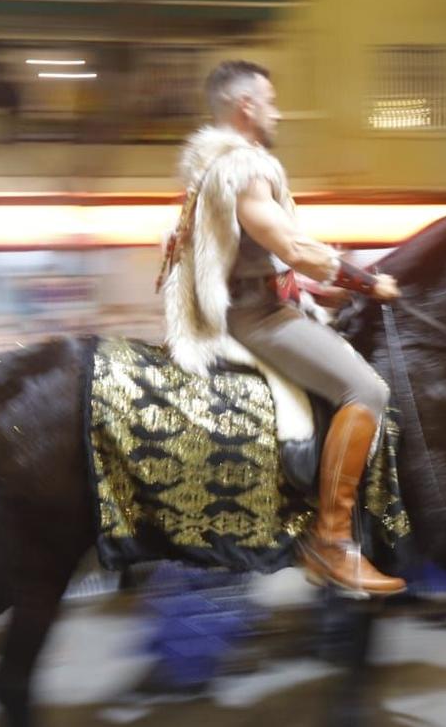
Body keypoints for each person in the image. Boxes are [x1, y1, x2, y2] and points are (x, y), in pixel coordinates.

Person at [158, 60, 405, 597]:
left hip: (263, 304)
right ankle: (331, 542)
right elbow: (290, 248)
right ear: (246, 107)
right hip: (257, 318)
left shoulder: (215, 166)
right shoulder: (242, 166)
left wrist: (320, 290)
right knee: (366, 389)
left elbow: (266, 261)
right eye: (271, 102)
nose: (279, 112)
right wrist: (365, 282)